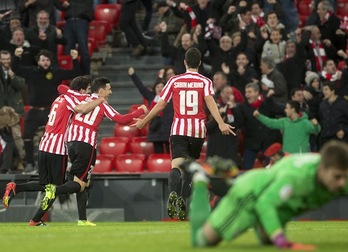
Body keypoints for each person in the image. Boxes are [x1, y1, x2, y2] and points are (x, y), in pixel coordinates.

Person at [185, 140, 348, 250]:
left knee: (267, 242)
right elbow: (265, 203)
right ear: (321, 170)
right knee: (202, 242)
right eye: (337, 177)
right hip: (253, 194)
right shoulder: (297, 178)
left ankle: (262, 225)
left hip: (278, 202)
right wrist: (282, 242)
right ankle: (200, 180)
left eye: (345, 177)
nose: (342, 183)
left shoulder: (338, 174)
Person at [132, 47, 235, 221]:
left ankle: (173, 193)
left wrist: (144, 121)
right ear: (200, 63)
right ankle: (182, 200)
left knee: (176, 166)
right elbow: (210, 103)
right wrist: (221, 122)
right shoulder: (205, 81)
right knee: (189, 167)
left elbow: (160, 105)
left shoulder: (174, 80)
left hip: (179, 129)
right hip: (197, 131)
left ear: (185, 62)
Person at [2, 76, 105, 226]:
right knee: (55, 188)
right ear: (82, 90)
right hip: (57, 148)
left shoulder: (59, 99)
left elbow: (61, 89)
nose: (89, 93)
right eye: (88, 89)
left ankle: (17, 190)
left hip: (44, 145)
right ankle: (35, 219)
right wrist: (99, 98)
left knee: (46, 184)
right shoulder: (76, 99)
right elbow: (82, 108)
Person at [40, 77, 148, 212]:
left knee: (81, 181)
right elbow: (121, 119)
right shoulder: (101, 104)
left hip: (70, 144)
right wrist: (141, 110)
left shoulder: (82, 98)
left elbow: (61, 88)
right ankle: (55, 189)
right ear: (101, 91)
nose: (111, 92)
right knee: (81, 183)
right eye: (109, 89)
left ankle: (81, 219)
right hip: (86, 145)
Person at [12, 47, 80, 173]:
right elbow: (16, 69)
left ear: (51, 61)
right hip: (35, 110)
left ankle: (63, 161)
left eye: (47, 60)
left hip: (52, 111)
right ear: (38, 61)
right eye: (42, 60)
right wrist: (16, 56)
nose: (45, 62)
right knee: (27, 136)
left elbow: (74, 72)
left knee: (61, 136)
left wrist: (75, 58)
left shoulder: (56, 72)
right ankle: (30, 163)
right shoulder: (32, 71)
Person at [254, 100, 321, 154]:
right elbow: (271, 123)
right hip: (286, 156)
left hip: (300, 157)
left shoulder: (305, 123)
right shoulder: (284, 121)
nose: (285, 110)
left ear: (293, 109)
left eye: (287, 108)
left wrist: (316, 125)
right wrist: (259, 116)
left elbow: (316, 130)